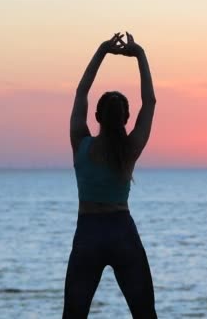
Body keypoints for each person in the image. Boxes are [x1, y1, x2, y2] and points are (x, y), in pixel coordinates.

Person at [62, 32, 158, 318]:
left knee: (74, 315)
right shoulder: (129, 149)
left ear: (97, 117)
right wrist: (139, 54)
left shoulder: (81, 142)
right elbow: (150, 102)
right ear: (126, 119)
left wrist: (102, 51)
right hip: (122, 233)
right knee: (144, 314)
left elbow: (81, 93)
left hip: (88, 232)